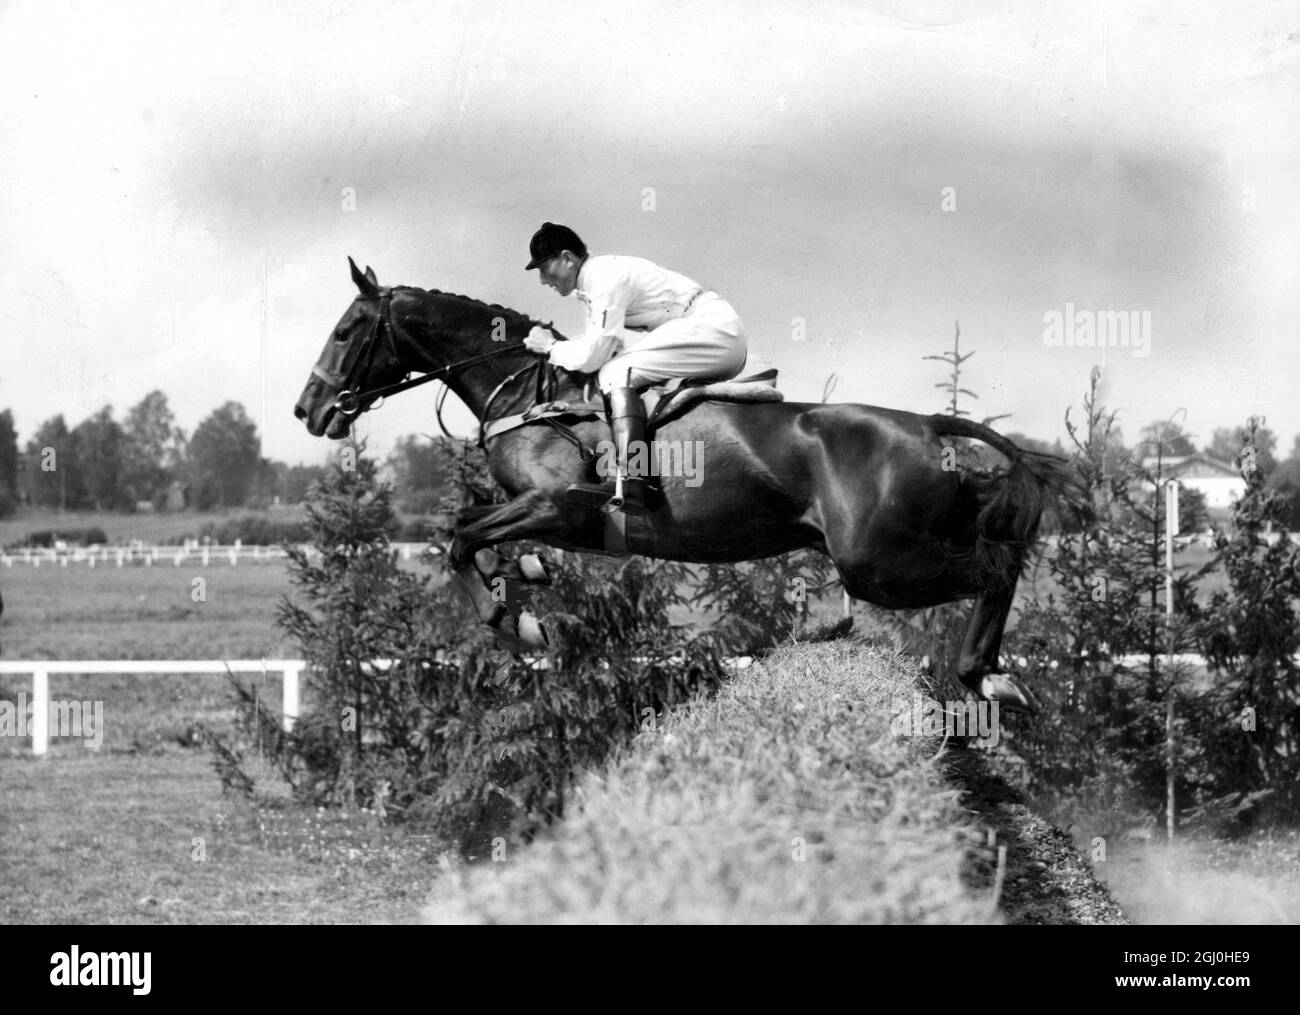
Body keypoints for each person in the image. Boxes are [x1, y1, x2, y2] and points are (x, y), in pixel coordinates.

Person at [522, 222, 748, 514]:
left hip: (711, 329)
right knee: (619, 370)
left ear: (567, 258)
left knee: (616, 373)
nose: (542, 280)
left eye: (543, 267)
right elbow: (601, 348)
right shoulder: (595, 283)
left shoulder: (604, 278)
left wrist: (551, 347)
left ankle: (634, 481)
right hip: (709, 332)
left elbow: (596, 356)